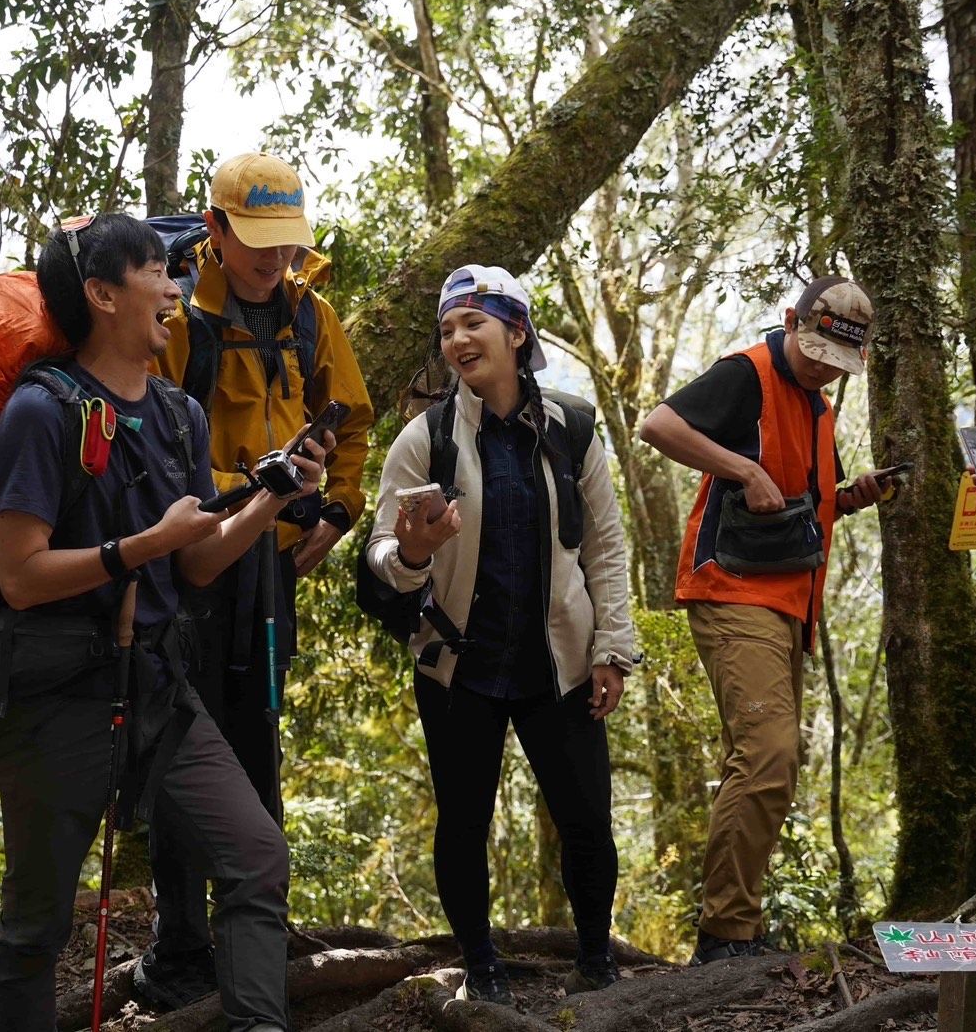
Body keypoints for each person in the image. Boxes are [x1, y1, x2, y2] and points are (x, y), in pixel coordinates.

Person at [0, 213, 330, 1031]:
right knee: (36, 926)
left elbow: (200, 563)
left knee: (255, 858)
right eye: (155, 273)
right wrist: (145, 543)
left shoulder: (179, 415)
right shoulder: (42, 411)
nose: (175, 288)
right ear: (102, 294)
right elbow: (21, 576)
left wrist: (271, 494)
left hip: (160, 689)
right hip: (59, 690)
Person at [363, 265, 636, 1005]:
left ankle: (595, 962)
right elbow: (382, 553)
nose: (457, 339)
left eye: (473, 323)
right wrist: (413, 551)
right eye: (447, 328)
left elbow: (605, 548)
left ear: (516, 333)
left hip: (562, 662)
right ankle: (481, 968)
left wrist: (614, 648)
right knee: (463, 821)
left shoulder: (573, 427)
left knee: (585, 818)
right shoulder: (426, 439)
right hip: (461, 667)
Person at [140, 152, 373, 1006]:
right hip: (190, 561)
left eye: (286, 245)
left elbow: (348, 424)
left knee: (256, 736)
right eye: (257, 244)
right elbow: (142, 428)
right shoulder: (174, 315)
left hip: (270, 567)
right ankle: (179, 946)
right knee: (179, 746)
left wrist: (338, 511)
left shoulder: (313, 317)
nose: (274, 262)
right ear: (216, 230)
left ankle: (252, 948)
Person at [639, 277, 891, 965]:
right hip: (733, 588)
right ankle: (725, 932)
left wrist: (853, 496)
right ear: (790, 321)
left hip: (789, 602)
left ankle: (734, 923)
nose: (819, 370)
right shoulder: (745, 373)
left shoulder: (817, 407)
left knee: (769, 761)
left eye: (834, 364)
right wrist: (738, 468)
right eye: (813, 354)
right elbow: (657, 424)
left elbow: (803, 505)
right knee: (768, 754)